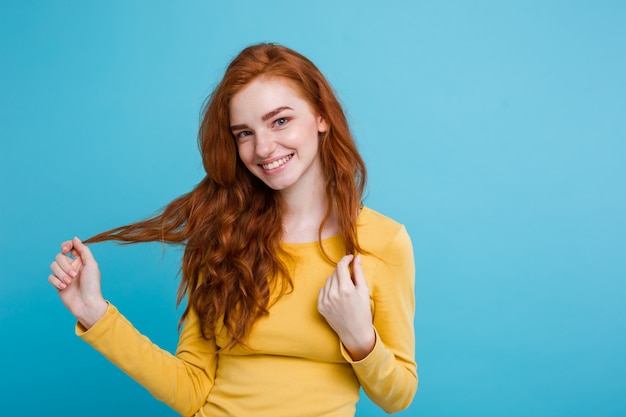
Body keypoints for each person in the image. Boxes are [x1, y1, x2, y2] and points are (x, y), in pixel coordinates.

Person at [48, 43, 417, 417]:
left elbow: (397, 396)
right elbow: (191, 388)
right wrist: (95, 314)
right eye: (244, 133)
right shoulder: (223, 237)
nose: (263, 147)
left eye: (280, 121)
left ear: (321, 116)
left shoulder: (383, 243)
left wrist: (360, 338)